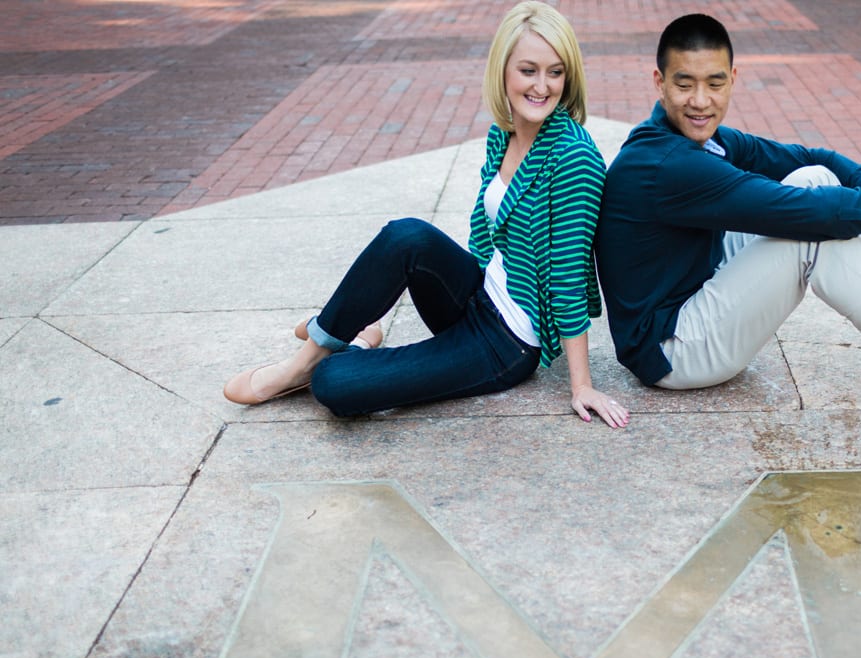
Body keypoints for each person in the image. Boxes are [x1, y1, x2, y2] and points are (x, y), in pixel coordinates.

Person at [224, 1, 629, 428]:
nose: (542, 86)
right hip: (479, 295)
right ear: (503, 72)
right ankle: (303, 363)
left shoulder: (573, 158)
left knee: (335, 385)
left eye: (555, 71)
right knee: (407, 237)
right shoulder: (505, 134)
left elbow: (568, 275)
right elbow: (486, 239)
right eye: (528, 70)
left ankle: (347, 343)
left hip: (507, 343)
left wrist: (581, 384)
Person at [594, 13, 861, 415]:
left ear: (733, 81)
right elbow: (796, 212)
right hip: (672, 349)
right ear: (660, 82)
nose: (700, 101)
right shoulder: (666, 163)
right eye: (685, 84)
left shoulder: (706, 139)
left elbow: (808, 157)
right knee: (812, 232)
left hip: (697, 288)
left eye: (714, 83)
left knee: (814, 177)